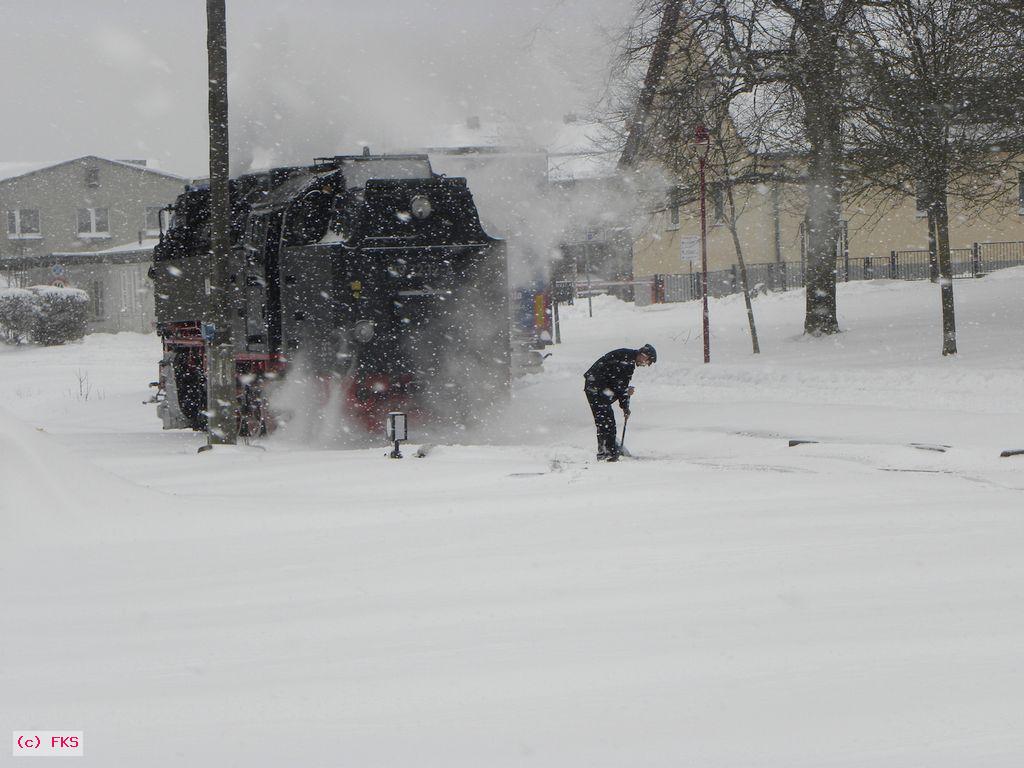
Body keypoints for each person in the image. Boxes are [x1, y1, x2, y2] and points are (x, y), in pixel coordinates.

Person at [583, 344, 657, 461]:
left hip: (597, 387)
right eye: (648, 361)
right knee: (606, 421)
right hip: (597, 387)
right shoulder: (626, 361)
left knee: (604, 421)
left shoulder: (628, 359)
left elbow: (620, 386)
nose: (646, 365)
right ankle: (609, 453)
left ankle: (606, 451)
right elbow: (619, 386)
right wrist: (625, 397)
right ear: (643, 356)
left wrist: (625, 406)